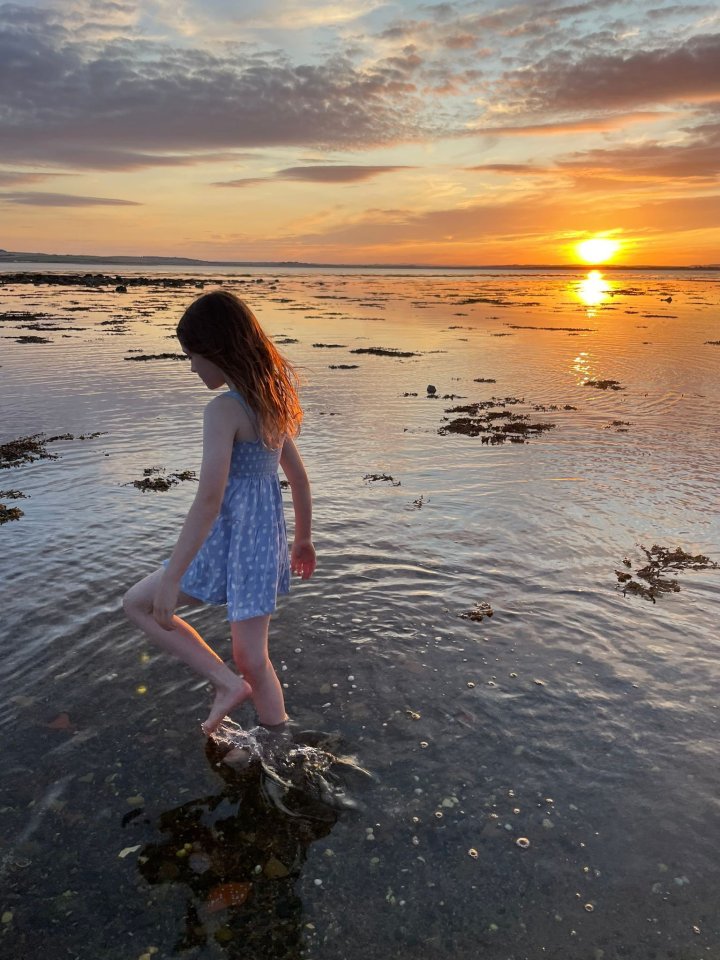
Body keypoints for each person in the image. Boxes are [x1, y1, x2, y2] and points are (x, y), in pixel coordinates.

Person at [123, 290, 316, 736]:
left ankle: (269, 727)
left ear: (216, 350)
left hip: (238, 544)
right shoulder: (271, 402)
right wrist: (303, 538)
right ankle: (230, 686)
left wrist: (172, 576)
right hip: (253, 544)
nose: (191, 367)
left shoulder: (225, 411)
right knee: (247, 657)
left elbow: (209, 500)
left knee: (142, 605)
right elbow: (300, 481)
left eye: (191, 356)